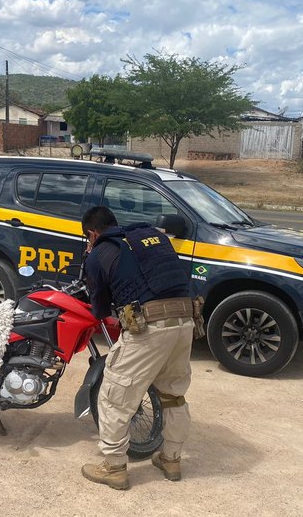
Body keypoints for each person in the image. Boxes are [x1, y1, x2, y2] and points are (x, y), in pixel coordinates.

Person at [80, 206, 195, 490]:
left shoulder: (99, 252)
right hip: (186, 321)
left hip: (150, 328)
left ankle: (114, 467)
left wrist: (92, 263)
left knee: (113, 396)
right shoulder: (151, 237)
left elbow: (100, 309)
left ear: (93, 233)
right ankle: (171, 459)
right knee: (173, 396)